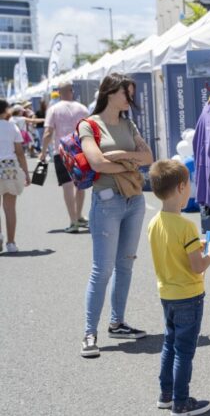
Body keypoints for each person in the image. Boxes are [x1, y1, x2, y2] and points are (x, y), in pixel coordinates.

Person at [79, 73, 154, 358]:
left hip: (133, 200)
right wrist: (128, 161)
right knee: (102, 270)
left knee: (126, 265)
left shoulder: (128, 123)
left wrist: (119, 156)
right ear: (111, 92)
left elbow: (148, 157)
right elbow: (96, 162)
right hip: (107, 202)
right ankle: (89, 332)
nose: (130, 100)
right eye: (127, 94)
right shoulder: (89, 125)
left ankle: (117, 322)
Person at [148, 159, 210, 416]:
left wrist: (196, 244)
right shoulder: (187, 225)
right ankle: (181, 402)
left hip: (167, 294)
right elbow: (197, 266)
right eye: (189, 183)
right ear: (181, 187)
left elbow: (173, 248)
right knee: (184, 351)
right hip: (189, 296)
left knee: (169, 344)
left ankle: (165, 394)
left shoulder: (155, 222)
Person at [40, 80, 89, 233]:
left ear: (59, 93)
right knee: (80, 184)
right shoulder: (83, 108)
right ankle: (79, 215)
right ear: (72, 91)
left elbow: (48, 133)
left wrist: (42, 153)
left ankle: (73, 221)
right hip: (81, 149)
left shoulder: (53, 109)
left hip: (61, 151)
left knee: (67, 185)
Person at [0, 99, 30, 253]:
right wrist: (26, 173)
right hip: (9, 166)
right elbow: (20, 153)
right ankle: (11, 243)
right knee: (10, 207)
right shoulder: (12, 126)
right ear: (5, 111)